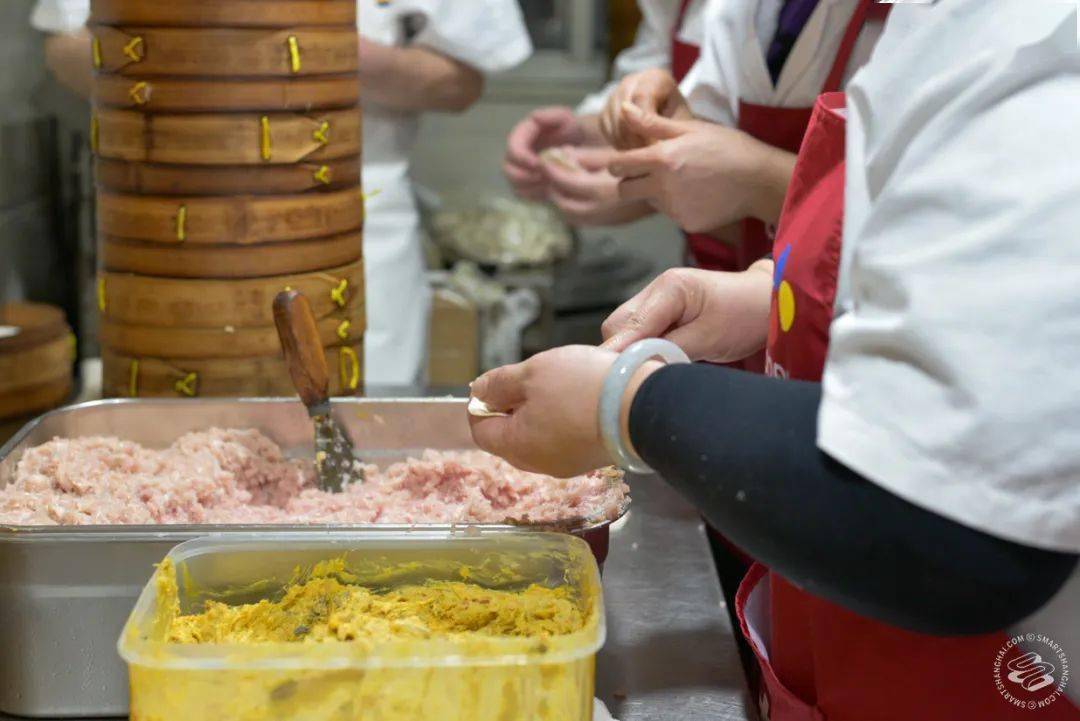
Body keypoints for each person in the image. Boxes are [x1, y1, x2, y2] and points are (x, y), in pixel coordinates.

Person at [470, 2, 1080, 719]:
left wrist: (625, 405)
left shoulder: (1036, 44)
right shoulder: (942, 26)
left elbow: (946, 521)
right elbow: (935, 251)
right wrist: (773, 293)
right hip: (846, 631)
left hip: (998, 670)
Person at [31, 0, 533, 386]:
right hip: (162, 233)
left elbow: (459, 81)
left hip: (353, 227)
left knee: (353, 455)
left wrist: (314, 48)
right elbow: (63, 46)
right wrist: (187, 64)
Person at [502, 0, 709, 229]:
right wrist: (584, 132)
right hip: (701, 254)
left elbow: (742, 157)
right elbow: (654, 86)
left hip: (751, 258)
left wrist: (648, 191)